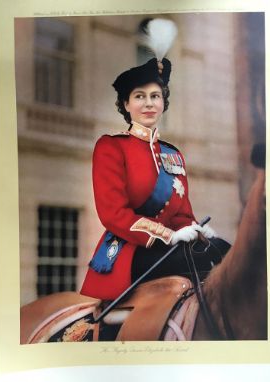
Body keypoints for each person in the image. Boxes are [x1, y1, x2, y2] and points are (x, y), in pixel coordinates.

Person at [80, 19, 230, 301]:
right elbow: (113, 214)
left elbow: (182, 213)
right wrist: (168, 236)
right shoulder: (111, 147)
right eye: (139, 96)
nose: (148, 103)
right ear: (126, 105)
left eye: (155, 96)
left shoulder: (173, 154)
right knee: (199, 263)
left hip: (172, 248)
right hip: (129, 253)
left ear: (163, 103)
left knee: (223, 251)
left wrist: (197, 229)